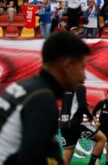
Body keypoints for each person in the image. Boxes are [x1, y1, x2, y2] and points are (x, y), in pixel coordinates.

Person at [0, 31, 89, 164]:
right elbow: (29, 160)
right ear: (67, 66)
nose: (84, 77)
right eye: (82, 67)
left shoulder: (27, 87)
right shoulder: (42, 98)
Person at [61, 82, 107, 165]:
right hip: (76, 123)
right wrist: (91, 117)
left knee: (68, 151)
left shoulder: (65, 87)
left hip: (64, 124)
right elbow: (82, 105)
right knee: (102, 138)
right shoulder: (79, 87)